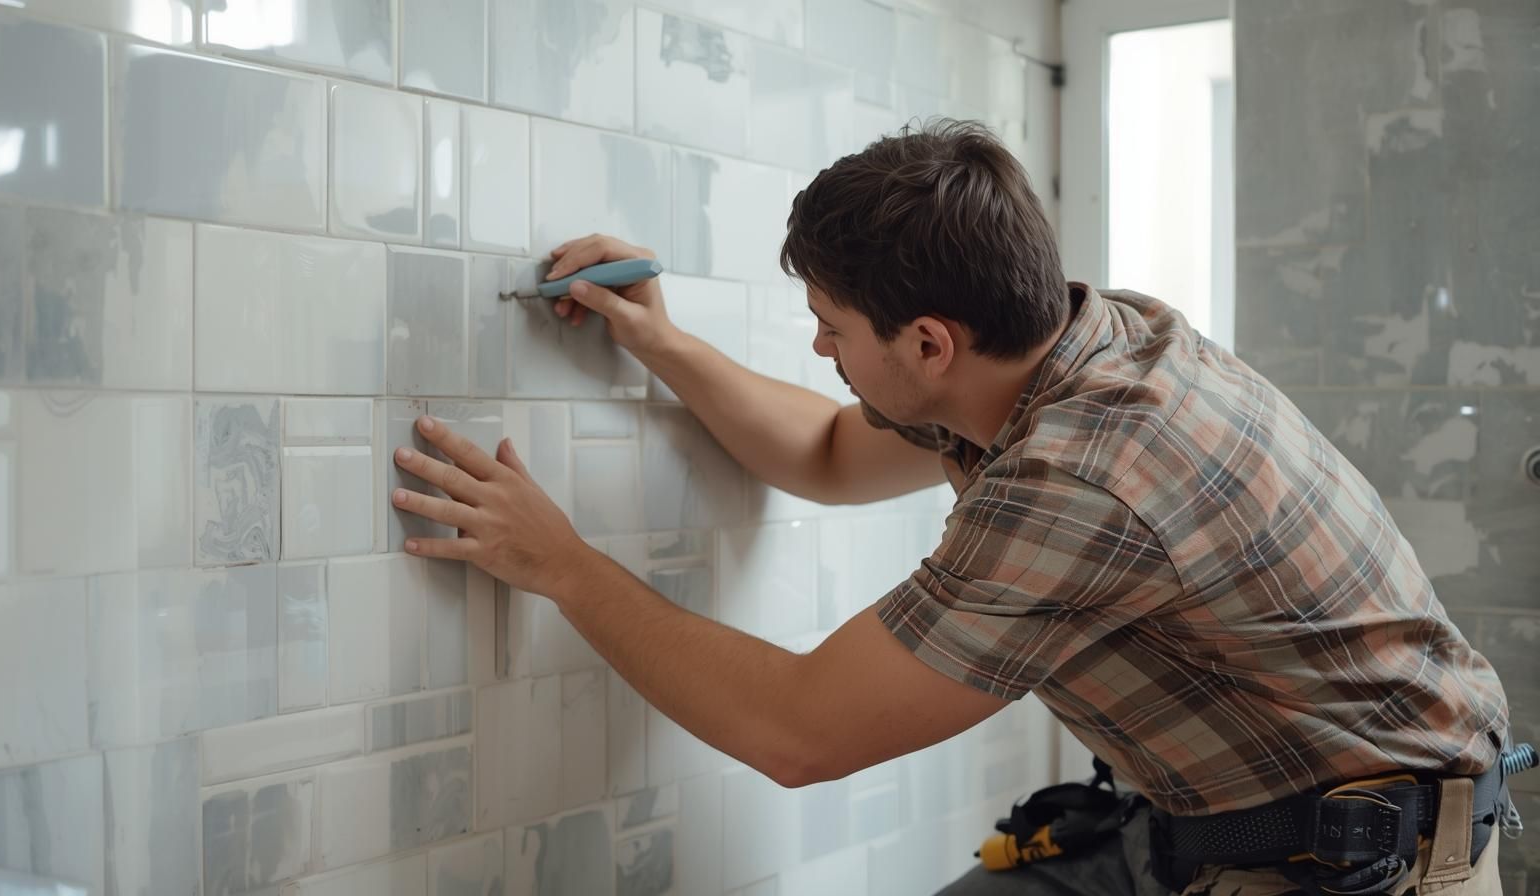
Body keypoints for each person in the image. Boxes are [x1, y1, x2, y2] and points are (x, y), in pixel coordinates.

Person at [389, 119, 1513, 895]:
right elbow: (828, 450)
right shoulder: (1074, 337)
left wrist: (562, 564)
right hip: (1237, 830)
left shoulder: (1084, 473)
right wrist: (661, 341)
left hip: (1363, 868)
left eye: (830, 323)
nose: (817, 344)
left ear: (928, 343)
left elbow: (798, 731)